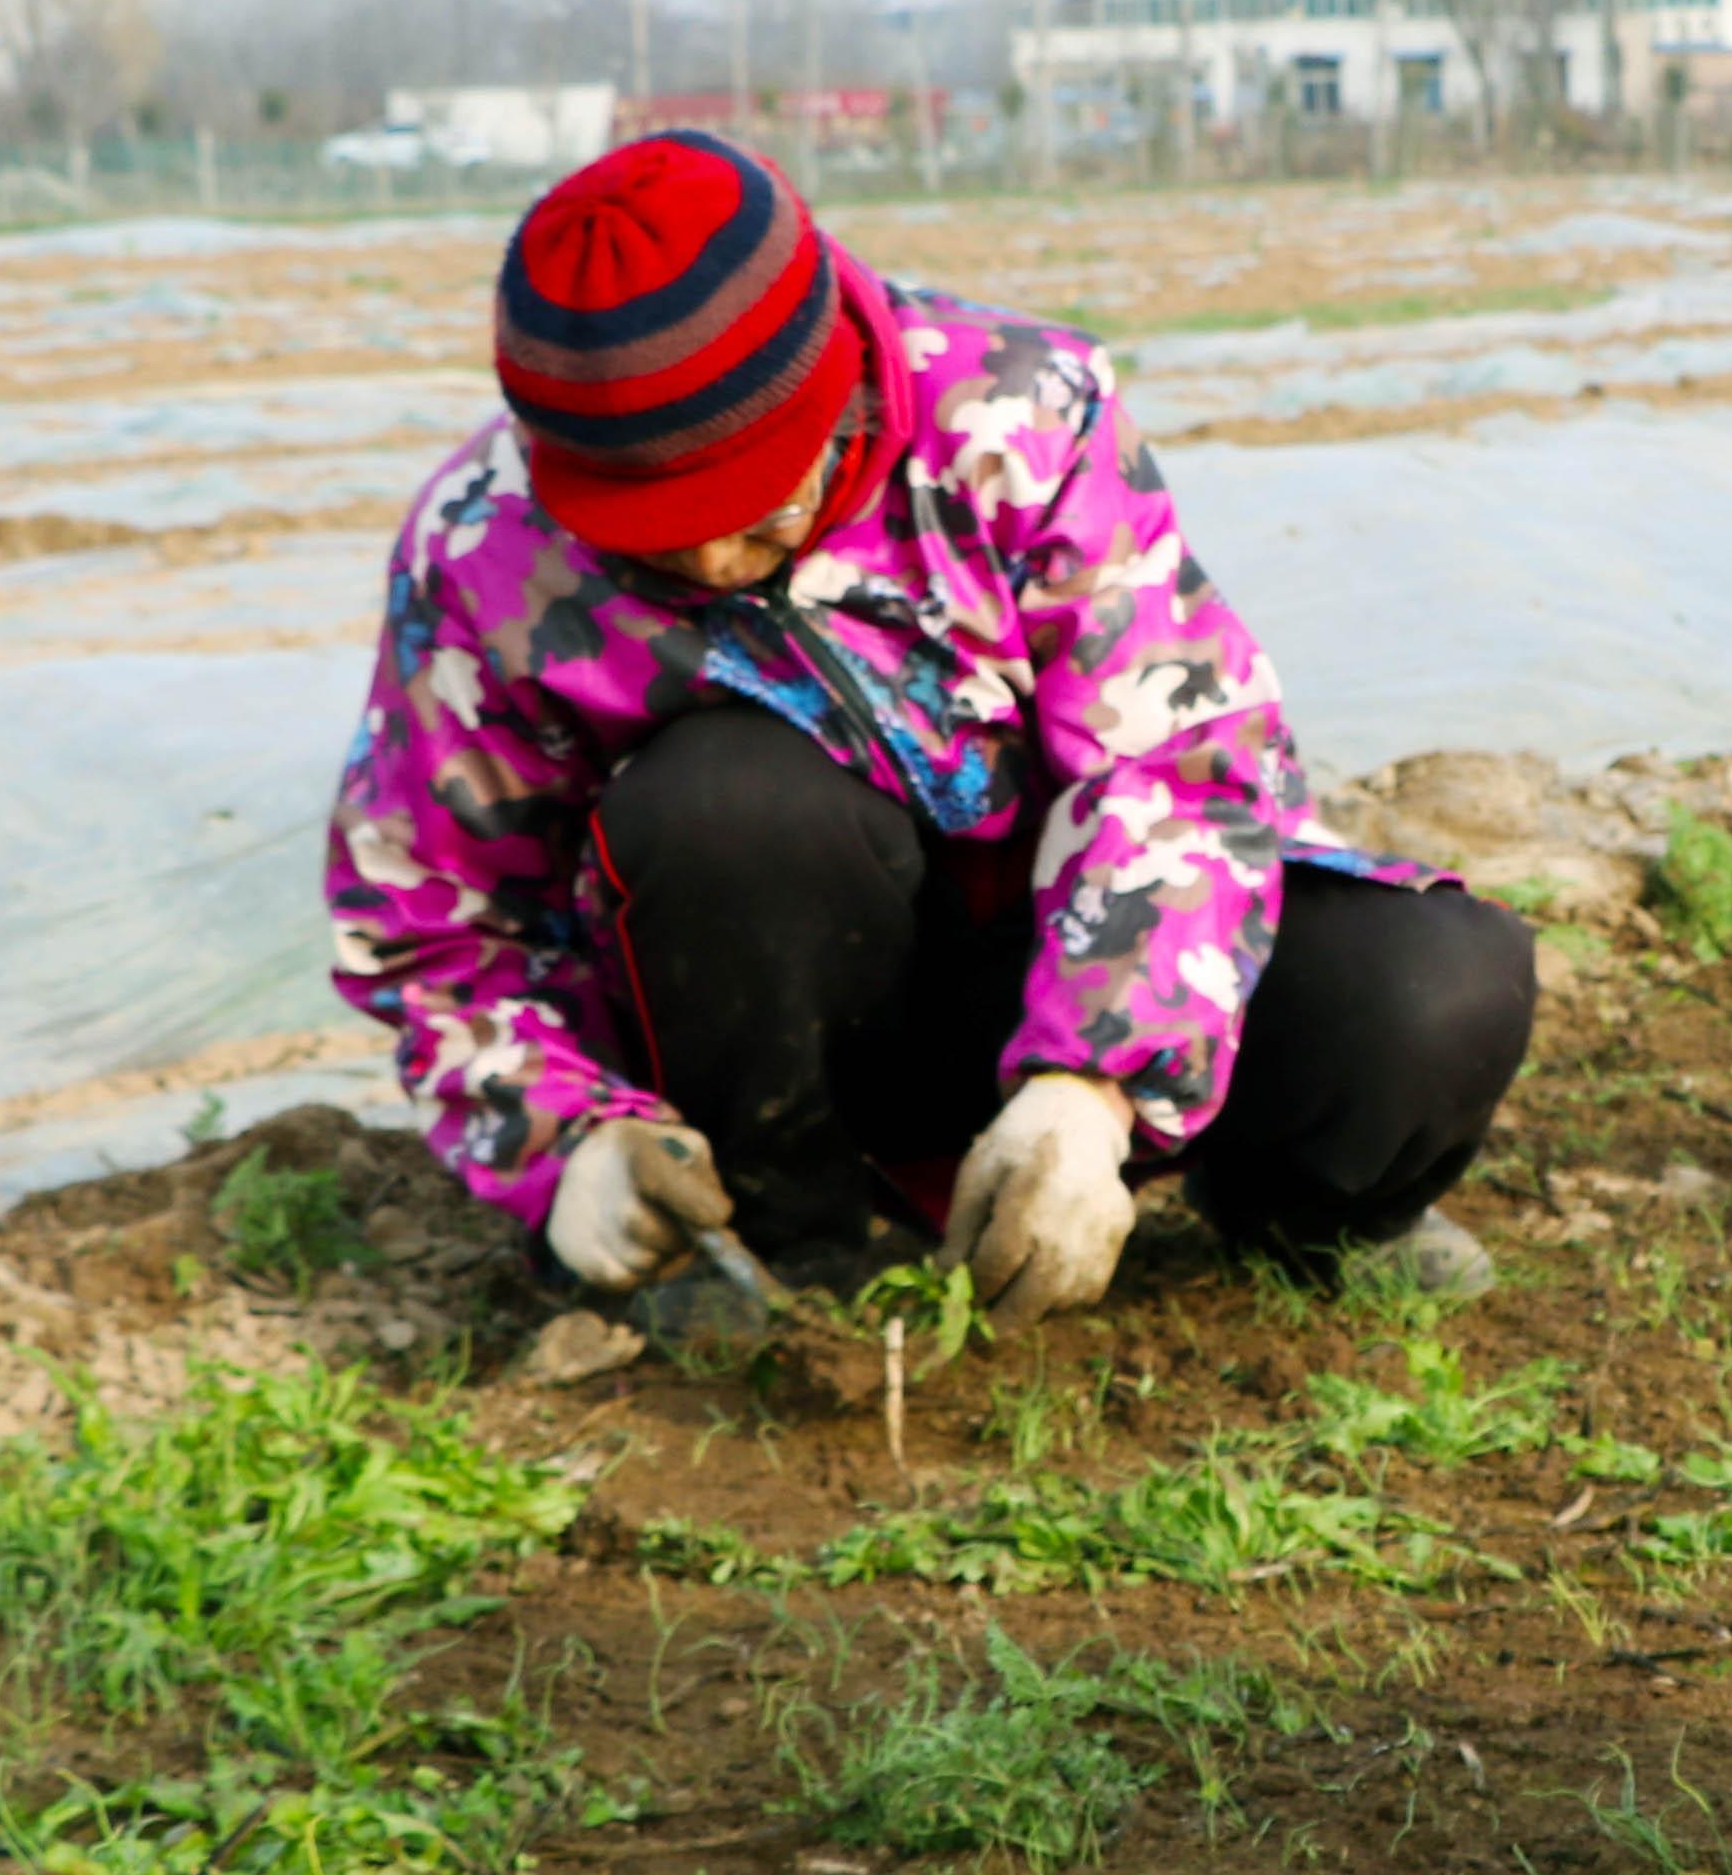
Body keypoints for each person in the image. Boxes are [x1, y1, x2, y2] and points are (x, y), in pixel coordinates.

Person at [329, 131, 1537, 1335]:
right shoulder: (481, 548)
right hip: (764, 1033)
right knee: (727, 801)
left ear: (837, 384)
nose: (705, 559)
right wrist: (564, 1140)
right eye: (650, 528)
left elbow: (1181, 766)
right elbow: (434, 924)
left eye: (752, 507)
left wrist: (1096, 1084)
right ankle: (784, 1243)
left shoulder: (1018, 416)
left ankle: (1292, 1213)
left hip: (1051, 959)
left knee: (1434, 987)